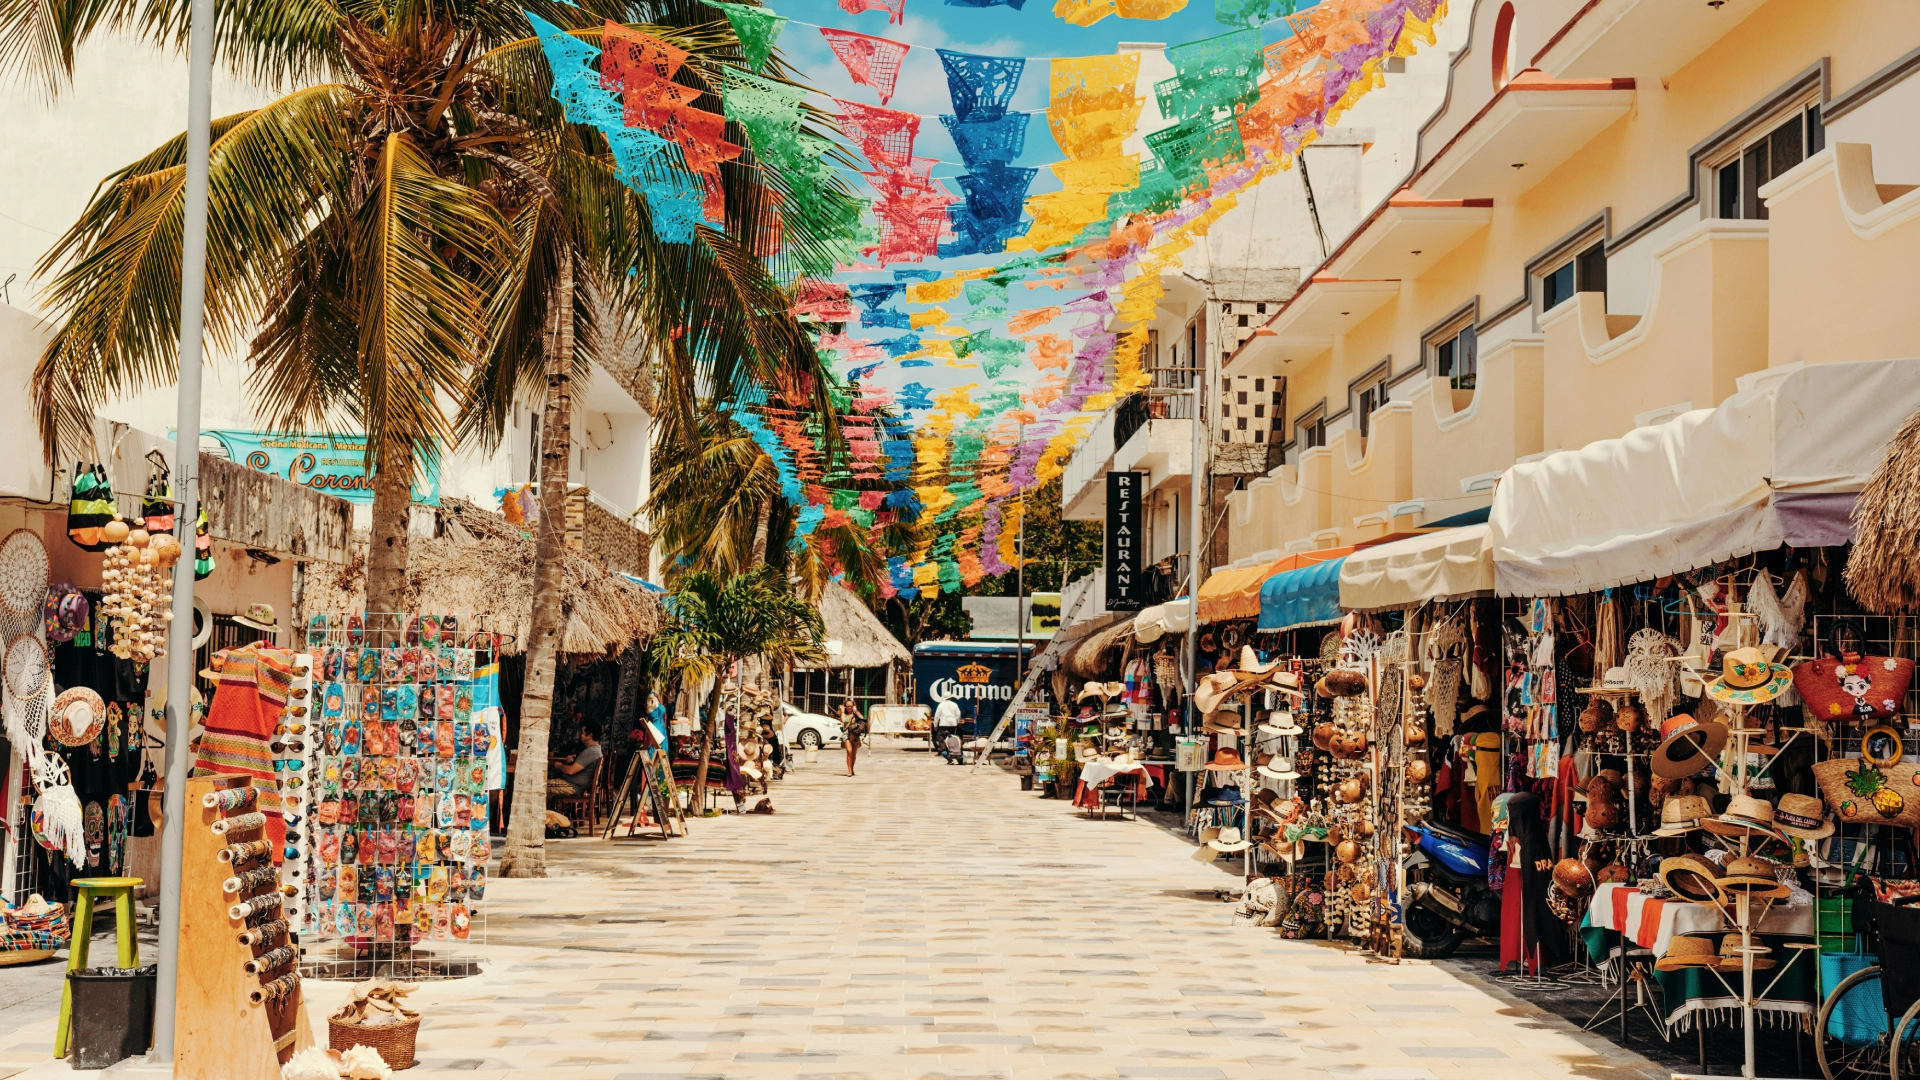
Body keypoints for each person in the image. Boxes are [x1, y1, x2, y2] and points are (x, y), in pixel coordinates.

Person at [548, 722, 603, 795]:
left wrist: (558, 765)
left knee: (541, 785)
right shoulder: (595, 750)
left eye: (582, 732)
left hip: (572, 786)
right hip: (573, 784)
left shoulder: (591, 751)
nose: (580, 735)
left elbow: (570, 771)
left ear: (590, 735)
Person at [839, 701, 868, 776]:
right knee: (849, 751)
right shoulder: (844, 714)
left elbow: (862, 718)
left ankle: (852, 769)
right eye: (847, 706)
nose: (849, 707)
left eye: (851, 706)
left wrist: (855, 711)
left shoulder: (855, 713)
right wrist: (842, 711)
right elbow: (844, 720)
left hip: (855, 734)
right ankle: (849, 770)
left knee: (854, 753)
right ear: (845, 706)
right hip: (846, 734)